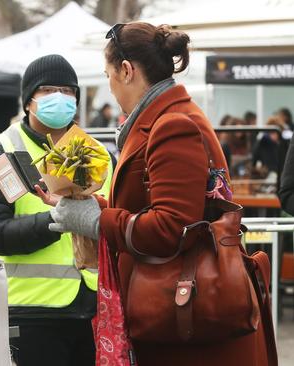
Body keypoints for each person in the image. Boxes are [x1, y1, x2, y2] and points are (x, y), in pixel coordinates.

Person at [40, 23, 274, 365]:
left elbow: (171, 227)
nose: (110, 86)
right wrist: (91, 206)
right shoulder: (167, 117)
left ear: (126, 70)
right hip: (182, 315)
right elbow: (157, 208)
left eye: (108, 75)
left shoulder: (172, 124)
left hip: (189, 322)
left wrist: (96, 220)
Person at [0, 54, 111, 366]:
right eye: (48, 91)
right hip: (32, 311)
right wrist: (57, 220)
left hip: (94, 307)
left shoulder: (97, 153)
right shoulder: (2, 152)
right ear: (28, 101)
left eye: (68, 91)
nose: (59, 98)